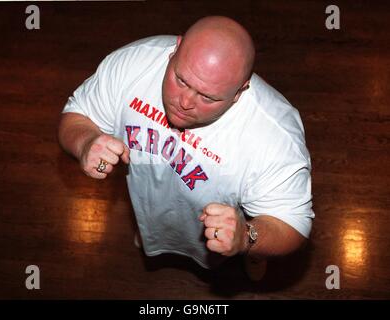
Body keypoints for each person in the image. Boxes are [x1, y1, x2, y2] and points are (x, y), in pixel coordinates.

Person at [58, 16, 314, 280]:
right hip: (149, 204)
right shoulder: (134, 63)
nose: (185, 102)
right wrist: (85, 142)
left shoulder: (275, 134)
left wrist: (246, 238)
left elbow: (293, 224)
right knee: (153, 224)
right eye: (181, 80)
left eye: (207, 97)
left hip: (235, 228)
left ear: (239, 92)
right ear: (175, 49)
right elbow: (77, 115)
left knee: (248, 241)